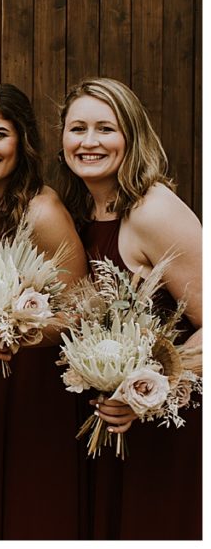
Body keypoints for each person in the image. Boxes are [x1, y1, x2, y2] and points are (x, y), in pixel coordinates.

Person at [57, 77, 201, 540]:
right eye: (78, 129)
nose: (89, 141)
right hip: (108, 419)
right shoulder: (82, 210)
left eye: (106, 128)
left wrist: (147, 394)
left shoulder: (152, 211)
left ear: (132, 136)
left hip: (166, 427)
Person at [0, 84, 88, 540]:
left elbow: (80, 311)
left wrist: (18, 331)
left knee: (30, 509)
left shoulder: (42, 210)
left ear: (22, 140)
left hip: (36, 383)